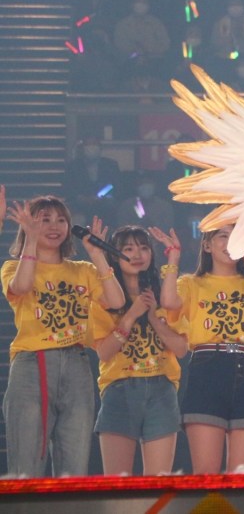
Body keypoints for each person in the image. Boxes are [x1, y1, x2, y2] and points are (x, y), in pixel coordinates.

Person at [2, 197, 126, 476]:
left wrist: (97, 256)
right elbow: (21, 287)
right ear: (29, 226)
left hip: (77, 364)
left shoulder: (83, 270)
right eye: (44, 220)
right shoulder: (12, 267)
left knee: (75, 465)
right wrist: (30, 241)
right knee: (26, 466)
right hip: (32, 365)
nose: (54, 226)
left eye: (61, 220)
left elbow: (116, 301)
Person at [160, 225, 244, 473]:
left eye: (236, 237)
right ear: (207, 245)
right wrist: (174, 258)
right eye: (223, 236)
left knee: (241, 476)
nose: (230, 242)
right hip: (208, 368)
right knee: (206, 475)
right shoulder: (192, 283)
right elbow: (168, 302)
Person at [91, 226, 187, 475]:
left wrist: (154, 318)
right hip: (119, 388)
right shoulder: (104, 299)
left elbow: (181, 349)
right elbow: (103, 353)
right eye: (128, 248)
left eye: (144, 248)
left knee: (158, 483)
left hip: (162, 389)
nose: (137, 254)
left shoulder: (165, 296)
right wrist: (130, 316)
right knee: (117, 484)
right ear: (115, 256)